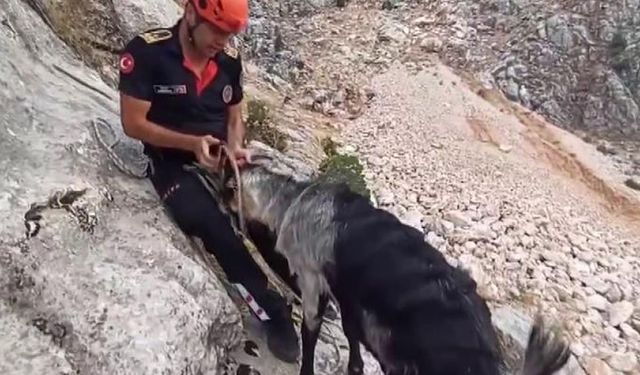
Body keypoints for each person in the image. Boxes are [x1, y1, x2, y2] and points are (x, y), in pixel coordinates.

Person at [116, 0, 300, 363]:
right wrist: (190, 144)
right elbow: (133, 123)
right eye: (217, 31)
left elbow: (234, 119)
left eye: (230, 34)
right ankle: (272, 310)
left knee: (266, 213)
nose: (223, 41)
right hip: (170, 160)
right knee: (211, 224)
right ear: (190, 15)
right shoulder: (148, 52)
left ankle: (300, 284)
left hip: (219, 157)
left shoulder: (228, 65)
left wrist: (235, 149)